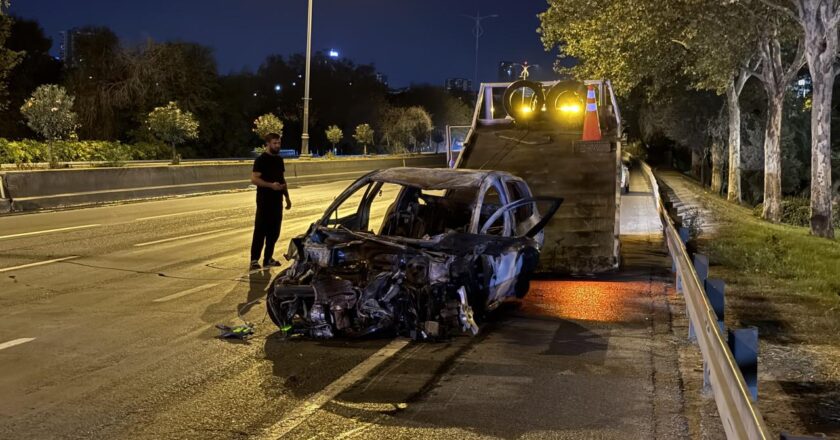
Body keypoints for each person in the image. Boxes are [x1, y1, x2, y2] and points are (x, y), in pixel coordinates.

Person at [250, 132, 292, 270]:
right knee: (261, 231)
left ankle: (268, 258)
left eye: (279, 143)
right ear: (267, 144)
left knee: (274, 232)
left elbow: (282, 178)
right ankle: (254, 260)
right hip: (264, 201)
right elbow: (254, 179)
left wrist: (287, 196)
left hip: (277, 201)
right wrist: (270, 186)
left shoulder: (279, 160)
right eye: (274, 143)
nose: (277, 145)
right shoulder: (261, 160)